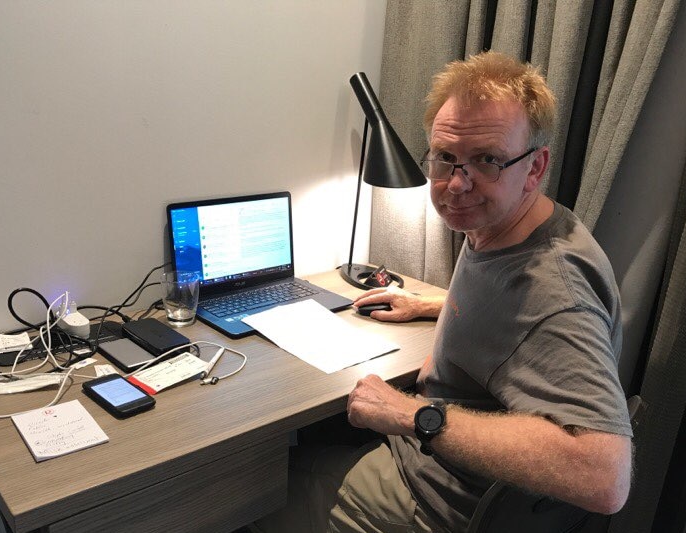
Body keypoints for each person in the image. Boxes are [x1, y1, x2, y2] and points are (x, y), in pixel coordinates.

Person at [253, 51, 632, 533]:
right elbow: (510, 316)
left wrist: (416, 416)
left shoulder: (554, 293)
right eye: (445, 157)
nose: (456, 184)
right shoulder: (507, 228)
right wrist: (430, 305)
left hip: (438, 498)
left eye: (487, 161)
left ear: (534, 168)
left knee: (263, 484)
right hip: (444, 467)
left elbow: (605, 476)